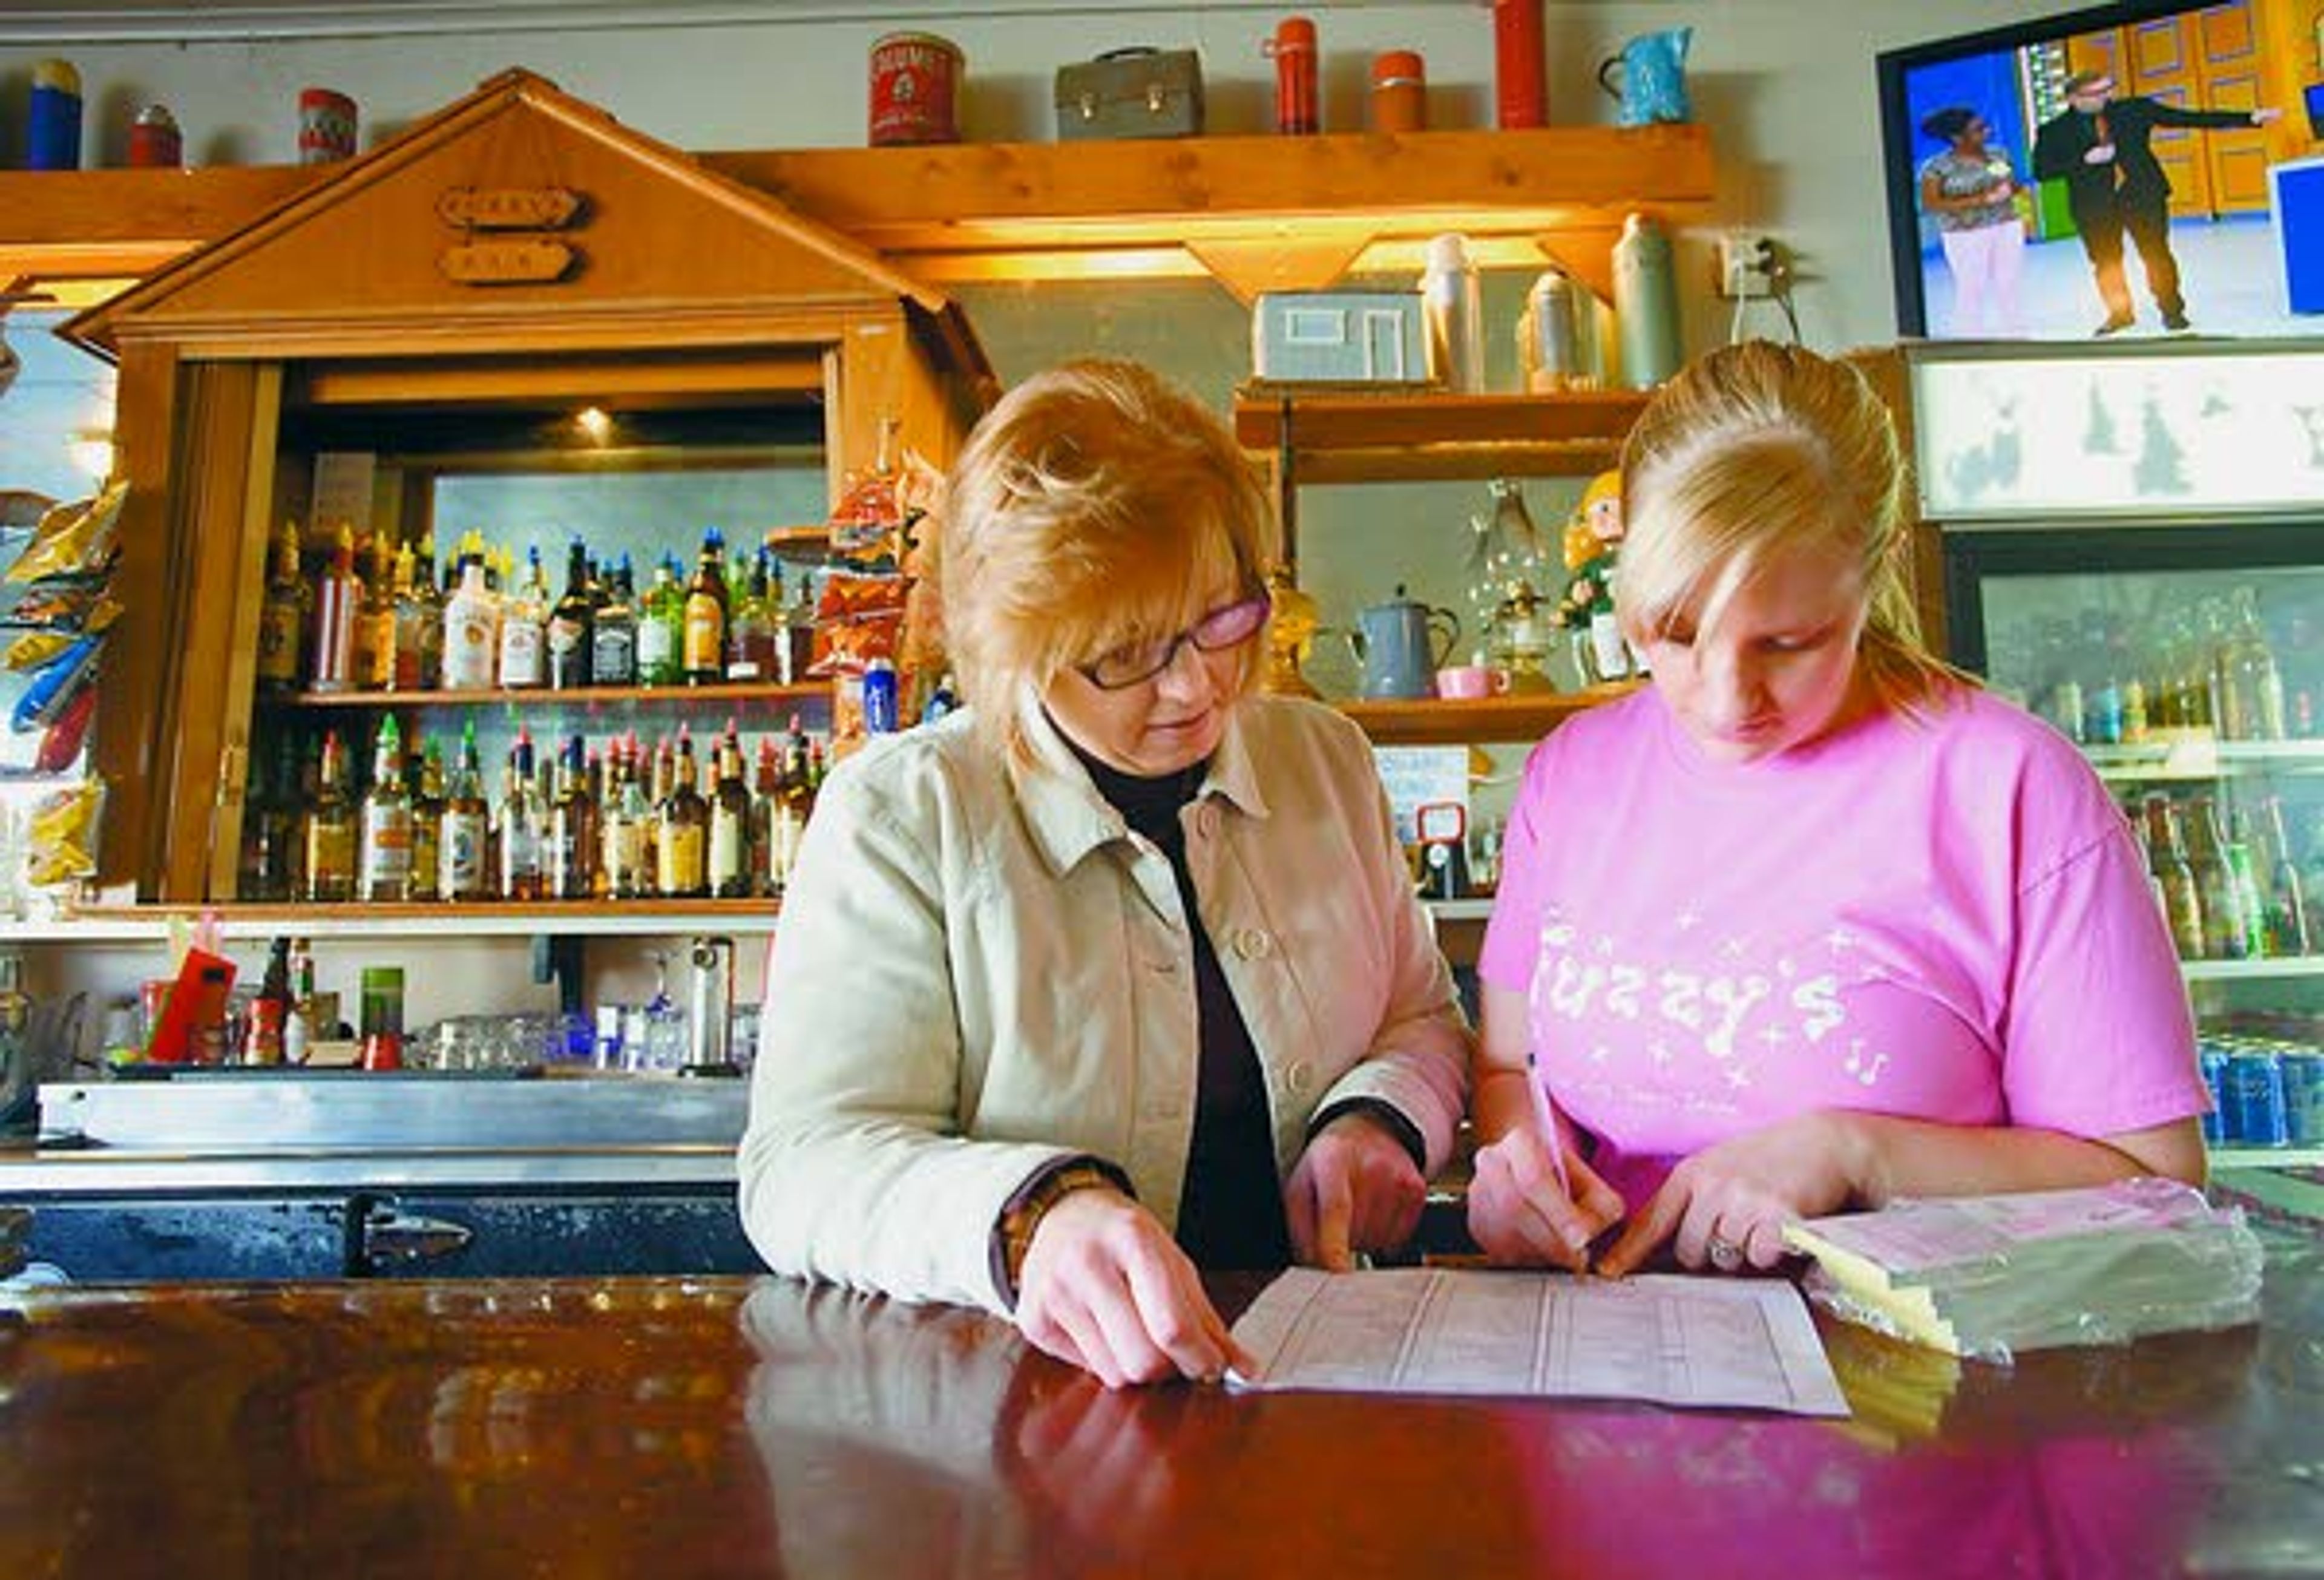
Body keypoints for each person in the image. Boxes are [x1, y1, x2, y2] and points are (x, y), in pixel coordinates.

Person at [738, 357, 1470, 1388]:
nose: (1194, 685)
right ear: (1017, 649)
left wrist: (1377, 1117)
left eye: (1220, 619)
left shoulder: (1325, 760)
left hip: (1328, 1378)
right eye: (1123, 652)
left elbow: (1421, 1018)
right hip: (1033, 1407)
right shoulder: (903, 814)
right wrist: (1033, 1218)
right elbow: (807, 1166)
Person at [1465, 341, 2208, 1279]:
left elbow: (2157, 1185)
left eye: (1790, 641)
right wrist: (1516, 1172)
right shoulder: (1573, 774)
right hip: (1606, 1359)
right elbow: (1507, 1066)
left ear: (1875, 570)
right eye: (1677, 631)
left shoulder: (2009, 788)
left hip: (1920, 1396)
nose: (1727, 698)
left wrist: (1860, 1155)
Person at [2031, 69, 2282, 335]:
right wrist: (2083, 161)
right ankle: (2120, 314)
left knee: (2156, 254)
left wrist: (2249, 117)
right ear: (2074, 98)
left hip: (2142, 193)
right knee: (2107, 262)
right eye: (2099, 93)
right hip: (2093, 205)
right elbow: (2042, 171)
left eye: (2109, 88)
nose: (2109, 96)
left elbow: (2187, 118)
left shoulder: (2135, 109)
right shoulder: (2052, 131)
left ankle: (2172, 312)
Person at [1916, 105, 2029, 338]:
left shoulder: (1996, 155)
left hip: (2006, 226)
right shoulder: (1936, 168)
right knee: (1971, 289)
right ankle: (1971, 341)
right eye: (1979, 129)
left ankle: (2018, 336)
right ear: (1957, 138)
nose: (1987, 131)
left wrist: (2014, 189)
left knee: (2009, 285)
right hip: (1964, 236)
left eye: (1985, 125)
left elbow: (2011, 181)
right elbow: (1932, 204)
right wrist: (1981, 199)